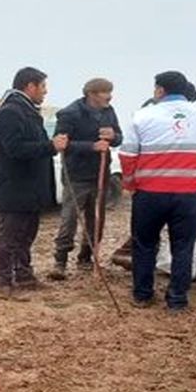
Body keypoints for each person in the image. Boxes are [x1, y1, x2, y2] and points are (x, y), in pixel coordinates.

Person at [120, 71, 196, 310]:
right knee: (183, 247)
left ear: (159, 90)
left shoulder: (142, 116)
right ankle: (177, 299)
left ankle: (142, 295)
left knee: (145, 244)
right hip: (188, 196)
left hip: (150, 194)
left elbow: (127, 155)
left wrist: (129, 184)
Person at [0, 66, 66, 298]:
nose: (45, 92)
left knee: (26, 235)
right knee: (11, 237)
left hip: (29, 189)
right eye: (42, 86)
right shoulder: (11, 112)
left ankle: (24, 276)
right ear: (29, 86)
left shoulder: (27, 110)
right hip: (15, 187)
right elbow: (14, 149)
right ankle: (3, 283)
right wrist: (50, 146)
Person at [48, 78, 122, 279]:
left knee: (96, 219)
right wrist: (91, 146)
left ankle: (86, 257)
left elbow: (119, 138)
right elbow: (61, 144)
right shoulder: (69, 113)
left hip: (100, 174)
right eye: (106, 92)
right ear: (92, 94)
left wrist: (113, 136)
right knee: (70, 218)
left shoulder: (109, 111)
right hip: (76, 175)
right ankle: (60, 261)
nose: (110, 96)